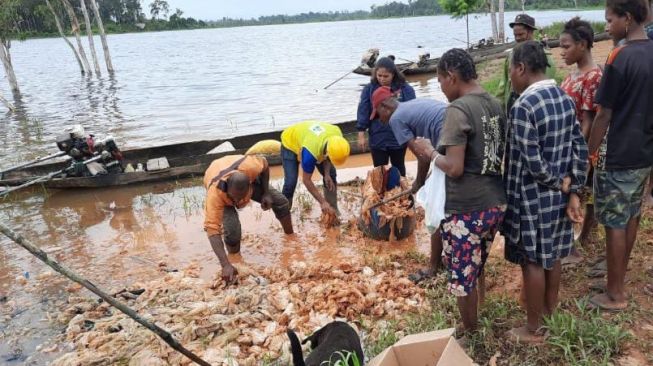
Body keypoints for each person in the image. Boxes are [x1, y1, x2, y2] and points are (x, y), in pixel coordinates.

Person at [407, 48, 506, 335]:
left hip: (467, 207)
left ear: (451, 77)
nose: (440, 87)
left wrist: (428, 151)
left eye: (439, 81)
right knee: (477, 261)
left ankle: (470, 332)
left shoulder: (458, 109)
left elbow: (455, 167)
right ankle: (481, 305)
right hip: (495, 202)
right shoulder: (493, 103)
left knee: (462, 277)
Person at [503, 41, 587, 343]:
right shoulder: (564, 98)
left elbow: (533, 161)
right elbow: (579, 146)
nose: (510, 76)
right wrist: (573, 189)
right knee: (552, 256)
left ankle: (534, 328)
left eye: (511, 69)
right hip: (560, 198)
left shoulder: (523, 106)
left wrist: (559, 182)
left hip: (532, 197)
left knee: (534, 260)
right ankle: (551, 314)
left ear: (521, 68)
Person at [586, 0, 653, 311]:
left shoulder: (619, 55)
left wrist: (590, 151)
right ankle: (618, 278)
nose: (607, 26)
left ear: (627, 19)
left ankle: (615, 294)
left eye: (610, 20)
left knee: (614, 221)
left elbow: (603, 114)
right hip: (644, 153)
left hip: (619, 154)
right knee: (632, 215)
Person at [371, 87, 447, 279]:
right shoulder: (410, 105)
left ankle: (433, 267)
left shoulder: (396, 118)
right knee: (446, 199)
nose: (380, 120)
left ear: (384, 106)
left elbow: (423, 155)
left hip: (448, 139)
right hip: (455, 134)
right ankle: (449, 255)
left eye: (378, 114)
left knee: (434, 205)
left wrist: (419, 183)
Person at [204, 154, 294, 284]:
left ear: (251, 182)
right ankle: (235, 260)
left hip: (241, 172)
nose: (238, 201)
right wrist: (225, 265)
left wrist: (266, 192)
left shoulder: (251, 166)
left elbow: (265, 164)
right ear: (228, 187)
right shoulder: (215, 195)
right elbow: (212, 230)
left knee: (281, 202)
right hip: (216, 181)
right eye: (234, 198)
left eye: (242, 198)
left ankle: (290, 236)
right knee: (232, 231)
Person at [559, 17, 603, 263]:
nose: (562, 51)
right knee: (578, 193)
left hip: (578, 147)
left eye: (566, 46)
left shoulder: (593, 77)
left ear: (583, 45)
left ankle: (577, 245)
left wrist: (582, 155)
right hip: (567, 145)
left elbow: (588, 120)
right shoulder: (574, 74)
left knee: (577, 192)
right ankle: (578, 240)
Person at [357, 57, 416, 176]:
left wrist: (413, 135)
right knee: (379, 170)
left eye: (386, 76)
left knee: (398, 168)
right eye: (379, 76)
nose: (382, 79)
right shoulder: (369, 89)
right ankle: (381, 194)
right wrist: (361, 133)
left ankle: (401, 191)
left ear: (393, 74)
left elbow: (412, 111)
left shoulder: (404, 89)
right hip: (377, 135)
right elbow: (363, 110)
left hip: (398, 135)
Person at [280, 121, 351, 217]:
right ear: (327, 152)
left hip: (310, 138)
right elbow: (306, 180)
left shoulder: (338, 135)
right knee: (290, 182)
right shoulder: (310, 154)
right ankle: (284, 214)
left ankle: (332, 210)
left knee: (331, 174)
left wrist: (327, 174)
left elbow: (328, 158)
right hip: (290, 142)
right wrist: (322, 202)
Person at [496, 14, 557, 113]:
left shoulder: (543, 56)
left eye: (521, 35)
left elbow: (545, 87)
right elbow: (503, 86)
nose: (518, 38)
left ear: (531, 32)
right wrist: (498, 109)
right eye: (515, 35)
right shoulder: (512, 55)